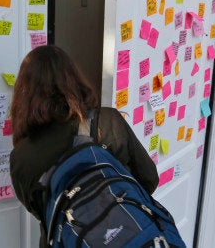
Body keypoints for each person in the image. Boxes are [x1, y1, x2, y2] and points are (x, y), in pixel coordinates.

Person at [9, 45, 159, 247]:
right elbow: (148, 180)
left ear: (23, 94)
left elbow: (42, 212)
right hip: (130, 235)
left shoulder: (20, 157)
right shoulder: (107, 122)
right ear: (72, 79)